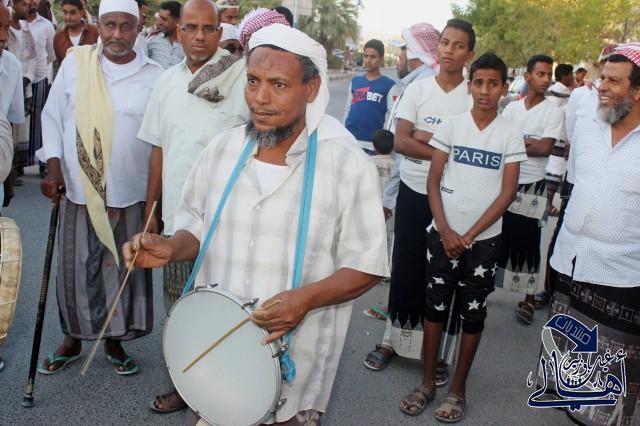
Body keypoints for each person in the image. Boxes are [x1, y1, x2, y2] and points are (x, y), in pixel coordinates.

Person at [124, 23, 388, 425]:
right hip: (216, 358)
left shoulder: (345, 163)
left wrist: (306, 299)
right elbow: (196, 225)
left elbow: (367, 264)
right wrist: (171, 246)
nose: (260, 99)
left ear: (312, 88)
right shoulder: (222, 149)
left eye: (278, 85)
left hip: (297, 364)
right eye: (252, 82)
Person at [37, 0, 163, 376]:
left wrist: (157, 204)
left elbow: (161, 140)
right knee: (77, 269)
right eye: (110, 25)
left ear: (138, 27)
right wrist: (53, 168)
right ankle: (72, 339)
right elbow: (52, 116)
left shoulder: (155, 75)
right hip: (79, 189)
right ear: (100, 25)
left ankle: (114, 341)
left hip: (130, 190)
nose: (117, 35)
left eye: (126, 26)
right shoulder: (76, 64)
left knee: (121, 268)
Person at [400, 52, 526, 422]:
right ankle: (427, 383)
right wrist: (445, 229)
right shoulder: (452, 126)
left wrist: (468, 235)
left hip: (483, 242)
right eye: (479, 83)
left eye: (493, 84)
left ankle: (457, 389)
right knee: (434, 307)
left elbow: (507, 193)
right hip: (443, 235)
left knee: (472, 312)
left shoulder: (509, 133)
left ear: (504, 88)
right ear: (470, 86)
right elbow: (433, 180)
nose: (485, 91)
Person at [137, 0, 249, 413]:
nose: (199, 37)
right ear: (178, 32)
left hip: (229, 220)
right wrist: (151, 212)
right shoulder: (165, 82)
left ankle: (229, 387)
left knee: (226, 303)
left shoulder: (241, 78)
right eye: (191, 28)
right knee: (178, 304)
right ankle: (184, 386)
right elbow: (158, 150)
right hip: (177, 222)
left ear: (220, 32)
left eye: (208, 28)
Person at [363, 20, 474, 380]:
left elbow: (469, 149)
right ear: (437, 47)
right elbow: (401, 141)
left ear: (469, 53)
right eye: (445, 42)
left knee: (443, 274)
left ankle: (434, 353)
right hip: (413, 192)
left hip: (453, 197)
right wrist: (445, 147)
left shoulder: (474, 97)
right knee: (406, 268)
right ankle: (392, 341)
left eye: (458, 45)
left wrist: (425, 137)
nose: (449, 50)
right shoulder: (418, 90)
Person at [545, 44, 640, 426]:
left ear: (637, 92)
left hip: (621, 276)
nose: (602, 86)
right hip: (571, 261)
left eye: (614, 81)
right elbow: (575, 186)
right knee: (568, 367)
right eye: (603, 78)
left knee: (605, 395)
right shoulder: (586, 127)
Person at [494, 55, 562, 325]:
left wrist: (516, 143)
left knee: (529, 242)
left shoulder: (553, 112)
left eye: (549, 75)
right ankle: (485, 286)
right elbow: (499, 141)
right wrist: (528, 142)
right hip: (503, 181)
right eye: (541, 74)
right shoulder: (512, 108)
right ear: (527, 76)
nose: (546, 79)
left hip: (533, 184)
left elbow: (545, 148)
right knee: (497, 236)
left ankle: (529, 298)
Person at [343, 39, 395, 154]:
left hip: (374, 146)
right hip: (351, 141)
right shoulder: (355, 81)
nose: (368, 60)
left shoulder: (390, 86)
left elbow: (393, 118)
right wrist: (343, 134)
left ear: (381, 59)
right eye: (366, 56)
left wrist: (385, 145)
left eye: (373, 57)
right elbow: (347, 110)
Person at [21, 0, 54, 177]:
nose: (32, 2)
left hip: (39, 77)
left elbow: (51, 54)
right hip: (19, 79)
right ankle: (18, 164)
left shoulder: (47, 26)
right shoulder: (16, 23)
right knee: (19, 121)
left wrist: (40, 70)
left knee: (39, 121)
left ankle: (42, 163)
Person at [0, 2, 25, 209]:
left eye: (6, 28)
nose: (3, 37)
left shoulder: (12, 66)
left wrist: (6, 173)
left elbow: (10, 121)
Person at [544, 63, 573, 216]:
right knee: (555, 173)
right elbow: (556, 113)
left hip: (555, 135)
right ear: (565, 76)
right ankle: (548, 205)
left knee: (554, 171)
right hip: (559, 137)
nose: (573, 78)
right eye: (571, 75)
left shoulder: (555, 90)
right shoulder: (560, 91)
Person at [147, 0, 184, 69]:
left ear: (177, 21)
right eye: (160, 17)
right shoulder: (152, 40)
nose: (159, 22)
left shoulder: (188, 45)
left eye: (164, 19)